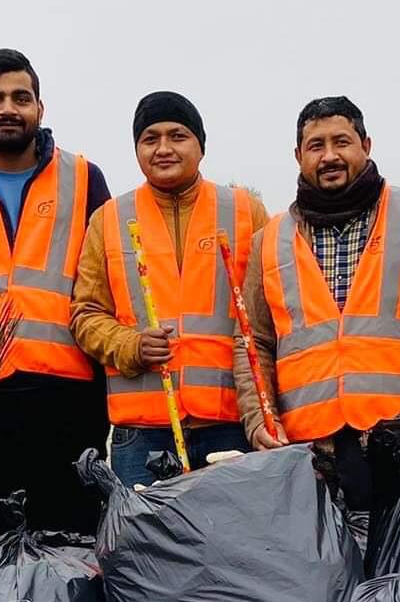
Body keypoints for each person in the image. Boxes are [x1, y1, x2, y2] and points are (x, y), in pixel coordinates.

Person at [0, 49, 113, 535]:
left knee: (83, 542)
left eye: (20, 97)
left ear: (40, 108)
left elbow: (112, 286)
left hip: (73, 395)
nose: (8, 108)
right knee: (12, 545)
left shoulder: (84, 178)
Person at [236, 95, 400, 511]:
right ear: (299, 156)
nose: (330, 156)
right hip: (312, 455)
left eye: (342, 142)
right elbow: (252, 343)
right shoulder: (268, 241)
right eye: (316, 146)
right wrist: (259, 418)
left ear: (366, 146)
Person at [72, 91, 267, 487]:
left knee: (234, 546)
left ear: (200, 145)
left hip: (231, 424)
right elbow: (85, 314)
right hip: (143, 433)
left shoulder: (247, 212)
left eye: (177, 136)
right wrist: (131, 346)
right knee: (147, 549)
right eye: (150, 138)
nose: (163, 148)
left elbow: (271, 316)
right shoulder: (108, 219)